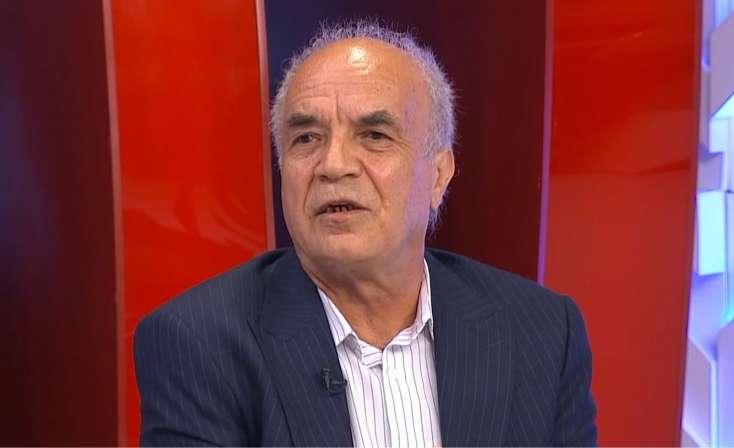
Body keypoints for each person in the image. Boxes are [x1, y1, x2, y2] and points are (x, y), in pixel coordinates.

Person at [134, 20, 597, 447]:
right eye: (306, 139)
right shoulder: (199, 344)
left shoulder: (541, 331)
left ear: (438, 175)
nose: (333, 165)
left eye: (374, 135)